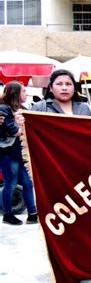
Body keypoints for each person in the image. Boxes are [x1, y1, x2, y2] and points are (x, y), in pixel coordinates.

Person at [0, 81, 37, 225]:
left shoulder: (21, 108)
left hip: (20, 153)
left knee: (28, 184)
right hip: (8, 153)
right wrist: (21, 125)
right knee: (10, 184)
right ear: (16, 93)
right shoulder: (4, 108)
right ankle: (7, 214)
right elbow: (14, 131)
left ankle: (32, 214)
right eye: (24, 91)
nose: (26, 94)